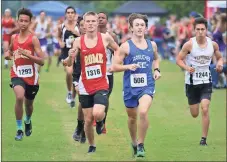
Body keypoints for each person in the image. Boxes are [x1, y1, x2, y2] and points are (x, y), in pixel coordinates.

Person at [63, 11, 119, 153]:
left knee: (98, 113)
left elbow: (118, 50)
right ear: (84, 24)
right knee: (87, 120)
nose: (91, 24)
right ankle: (92, 145)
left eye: (93, 21)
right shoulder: (78, 41)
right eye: (88, 21)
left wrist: (115, 64)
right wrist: (70, 57)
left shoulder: (105, 38)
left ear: (97, 22)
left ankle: (100, 121)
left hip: (101, 82)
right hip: (85, 84)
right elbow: (70, 62)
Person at [112, 13, 161, 157]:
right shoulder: (125, 47)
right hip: (130, 88)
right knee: (132, 118)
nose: (140, 28)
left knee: (144, 112)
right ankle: (134, 142)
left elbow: (156, 59)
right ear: (131, 28)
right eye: (137, 25)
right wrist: (128, 67)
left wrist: (157, 70)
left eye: (142, 25)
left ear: (146, 28)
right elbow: (114, 66)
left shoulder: (152, 45)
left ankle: (141, 145)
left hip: (147, 85)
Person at [176, 17, 223, 146]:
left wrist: (219, 64)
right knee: (195, 113)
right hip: (191, 83)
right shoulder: (189, 44)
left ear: (206, 30)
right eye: (198, 29)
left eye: (203, 29)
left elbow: (219, 57)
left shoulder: (212, 44)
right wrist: (186, 67)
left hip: (206, 81)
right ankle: (193, 104)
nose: (200, 32)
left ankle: (203, 139)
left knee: (205, 108)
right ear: (194, 30)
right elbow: (179, 59)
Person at [4, 8, 45, 141]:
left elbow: (42, 60)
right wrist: (9, 56)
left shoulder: (33, 39)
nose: (23, 23)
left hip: (32, 77)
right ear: (17, 21)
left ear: (30, 22)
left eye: (26, 21)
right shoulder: (14, 37)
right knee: (19, 97)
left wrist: (27, 54)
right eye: (21, 20)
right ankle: (19, 128)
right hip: (17, 73)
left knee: (28, 105)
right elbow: (8, 53)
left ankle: (27, 120)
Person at [91, 12, 118, 134]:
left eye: (103, 18)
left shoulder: (111, 35)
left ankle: (102, 122)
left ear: (107, 21)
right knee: (91, 96)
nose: (101, 20)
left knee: (105, 98)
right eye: (99, 18)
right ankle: (93, 118)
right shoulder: (91, 34)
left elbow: (118, 51)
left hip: (107, 71)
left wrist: (110, 48)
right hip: (93, 70)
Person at [57, 6, 80, 105]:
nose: (70, 14)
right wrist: (60, 42)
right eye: (68, 12)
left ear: (74, 14)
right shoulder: (61, 26)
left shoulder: (79, 26)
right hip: (66, 53)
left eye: (72, 13)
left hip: (77, 53)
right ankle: (69, 92)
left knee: (76, 76)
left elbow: (84, 37)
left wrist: (77, 34)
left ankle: (73, 98)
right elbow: (58, 36)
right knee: (69, 72)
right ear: (65, 14)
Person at [71, 17, 86, 143]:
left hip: (94, 76)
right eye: (81, 25)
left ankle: (85, 130)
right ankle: (80, 126)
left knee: (91, 104)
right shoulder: (76, 41)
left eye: (85, 24)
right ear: (79, 27)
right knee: (82, 101)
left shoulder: (98, 40)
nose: (84, 27)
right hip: (79, 75)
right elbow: (72, 58)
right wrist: (67, 60)